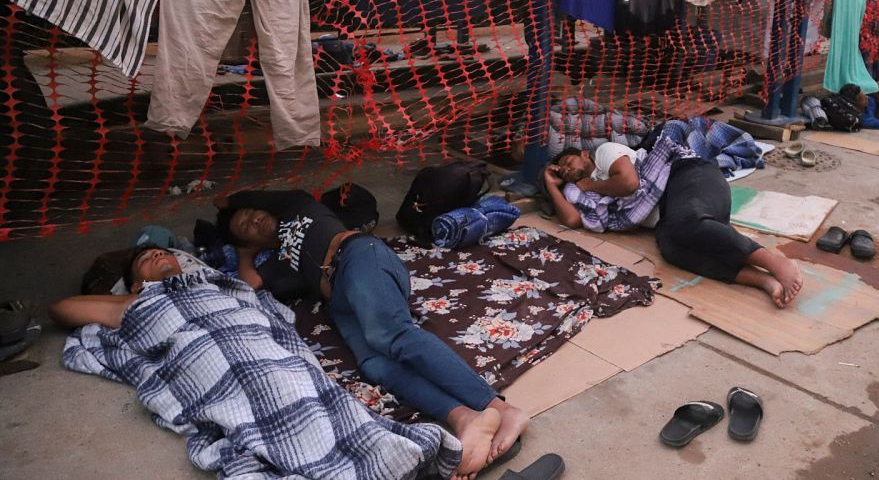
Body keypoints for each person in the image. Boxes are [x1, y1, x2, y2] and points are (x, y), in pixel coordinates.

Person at [50, 247, 463, 480]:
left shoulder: (217, 283)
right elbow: (62, 309)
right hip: (207, 358)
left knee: (310, 391)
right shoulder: (136, 304)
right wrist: (131, 297)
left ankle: (380, 456)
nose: (157, 253)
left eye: (163, 251)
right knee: (256, 412)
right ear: (138, 281)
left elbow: (252, 292)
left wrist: (244, 253)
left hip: (260, 346)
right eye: (145, 259)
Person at [213, 189, 527, 480]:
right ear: (252, 243)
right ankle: (465, 418)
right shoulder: (280, 262)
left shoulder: (296, 205)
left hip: (359, 256)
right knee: (375, 365)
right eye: (247, 227)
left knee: (389, 334)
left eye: (252, 213)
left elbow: (233, 199)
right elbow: (251, 283)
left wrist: (232, 207)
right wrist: (245, 250)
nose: (254, 219)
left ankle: (500, 409)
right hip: (338, 298)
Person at [544, 142, 804, 309]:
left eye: (569, 163)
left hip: (689, 176)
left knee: (686, 221)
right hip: (670, 210)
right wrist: (551, 184)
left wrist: (589, 184)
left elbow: (629, 183)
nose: (567, 170)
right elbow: (571, 220)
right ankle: (760, 279)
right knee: (671, 249)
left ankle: (775, 262)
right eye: (563, 171)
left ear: (584, 154)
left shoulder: (604, 154)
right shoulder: (580, 193)